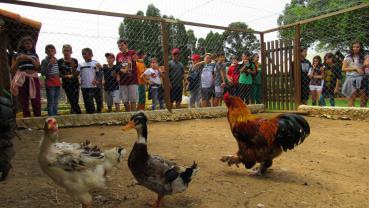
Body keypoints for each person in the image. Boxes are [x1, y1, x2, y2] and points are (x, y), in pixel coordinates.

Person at [10, 36, 41, 117]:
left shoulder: (34, 55)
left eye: (30, 43)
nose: (28, 45)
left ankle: (37, 118)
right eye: (26, 43)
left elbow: (38, 67)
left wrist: (30, 59)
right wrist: (18, 60)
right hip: (22, 79)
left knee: (36, 99)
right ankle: (27, 120)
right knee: (24, 100)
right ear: (22, 44)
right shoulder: (16, 55)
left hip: (33, 78)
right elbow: (12, 69)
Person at [77, 48, 102, 114]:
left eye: (86, 53)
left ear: (91, 55)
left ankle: (99, 114)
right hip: (85, 87)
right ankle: (90, 114)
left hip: (94, 86)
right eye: (83, 54)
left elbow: (99, 73)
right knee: (88, 103)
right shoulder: (80, 64)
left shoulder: (95, 63)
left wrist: (97, 80)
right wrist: (79, 80)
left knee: (99, 102)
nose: (84, 55)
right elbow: (78, 74)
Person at [58, 44, 81, 114]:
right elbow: (58, 73)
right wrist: (66, 76)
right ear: (62, 51)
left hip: (75, 82)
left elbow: (77, 73)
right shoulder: (59, 61)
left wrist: (73, 67)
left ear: (71, 51)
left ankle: (74, 111)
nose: (66, 52)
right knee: (71, 98)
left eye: (68, 51)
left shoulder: (75, 60)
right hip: (66, 82)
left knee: (75, 99)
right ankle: (77, 112)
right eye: (64, 50)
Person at [341, 41, 365, 107]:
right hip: (350, 78)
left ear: (360, 48)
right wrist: (355, 68)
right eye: (354, 47)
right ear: (352, 48)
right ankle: (351, 115)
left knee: (363, 98)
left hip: (361, 78)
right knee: (352, 98)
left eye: (357, 47)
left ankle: (362, 114)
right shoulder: (348, 57)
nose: (355, 48)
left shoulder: (363, 57)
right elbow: (343, 69)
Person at [116, 39, 138, 112]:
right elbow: (118, 67)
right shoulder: (118, 55)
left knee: (133, 100)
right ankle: (128, 115)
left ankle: (134, 117)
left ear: (126, 45)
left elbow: (135, 60)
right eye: (119, 46)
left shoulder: (132, 52)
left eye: (122, 45)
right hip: (122, 81)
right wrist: (120, 73)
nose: (120, 47)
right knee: (125, 101)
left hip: (132, 80)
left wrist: (129, 63)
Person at [41, 44, 61, 116]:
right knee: (51, 100)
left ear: (55, 51)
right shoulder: (44, 61)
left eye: (52, 51)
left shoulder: (57, 60)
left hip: (57, 82)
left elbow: (59, 72)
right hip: (49, 82)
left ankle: (55, 116)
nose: (50, 52)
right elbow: (42, 72)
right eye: (48, 51)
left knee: (56, 101)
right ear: (46, 52)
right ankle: (51, 116)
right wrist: (50, 64)